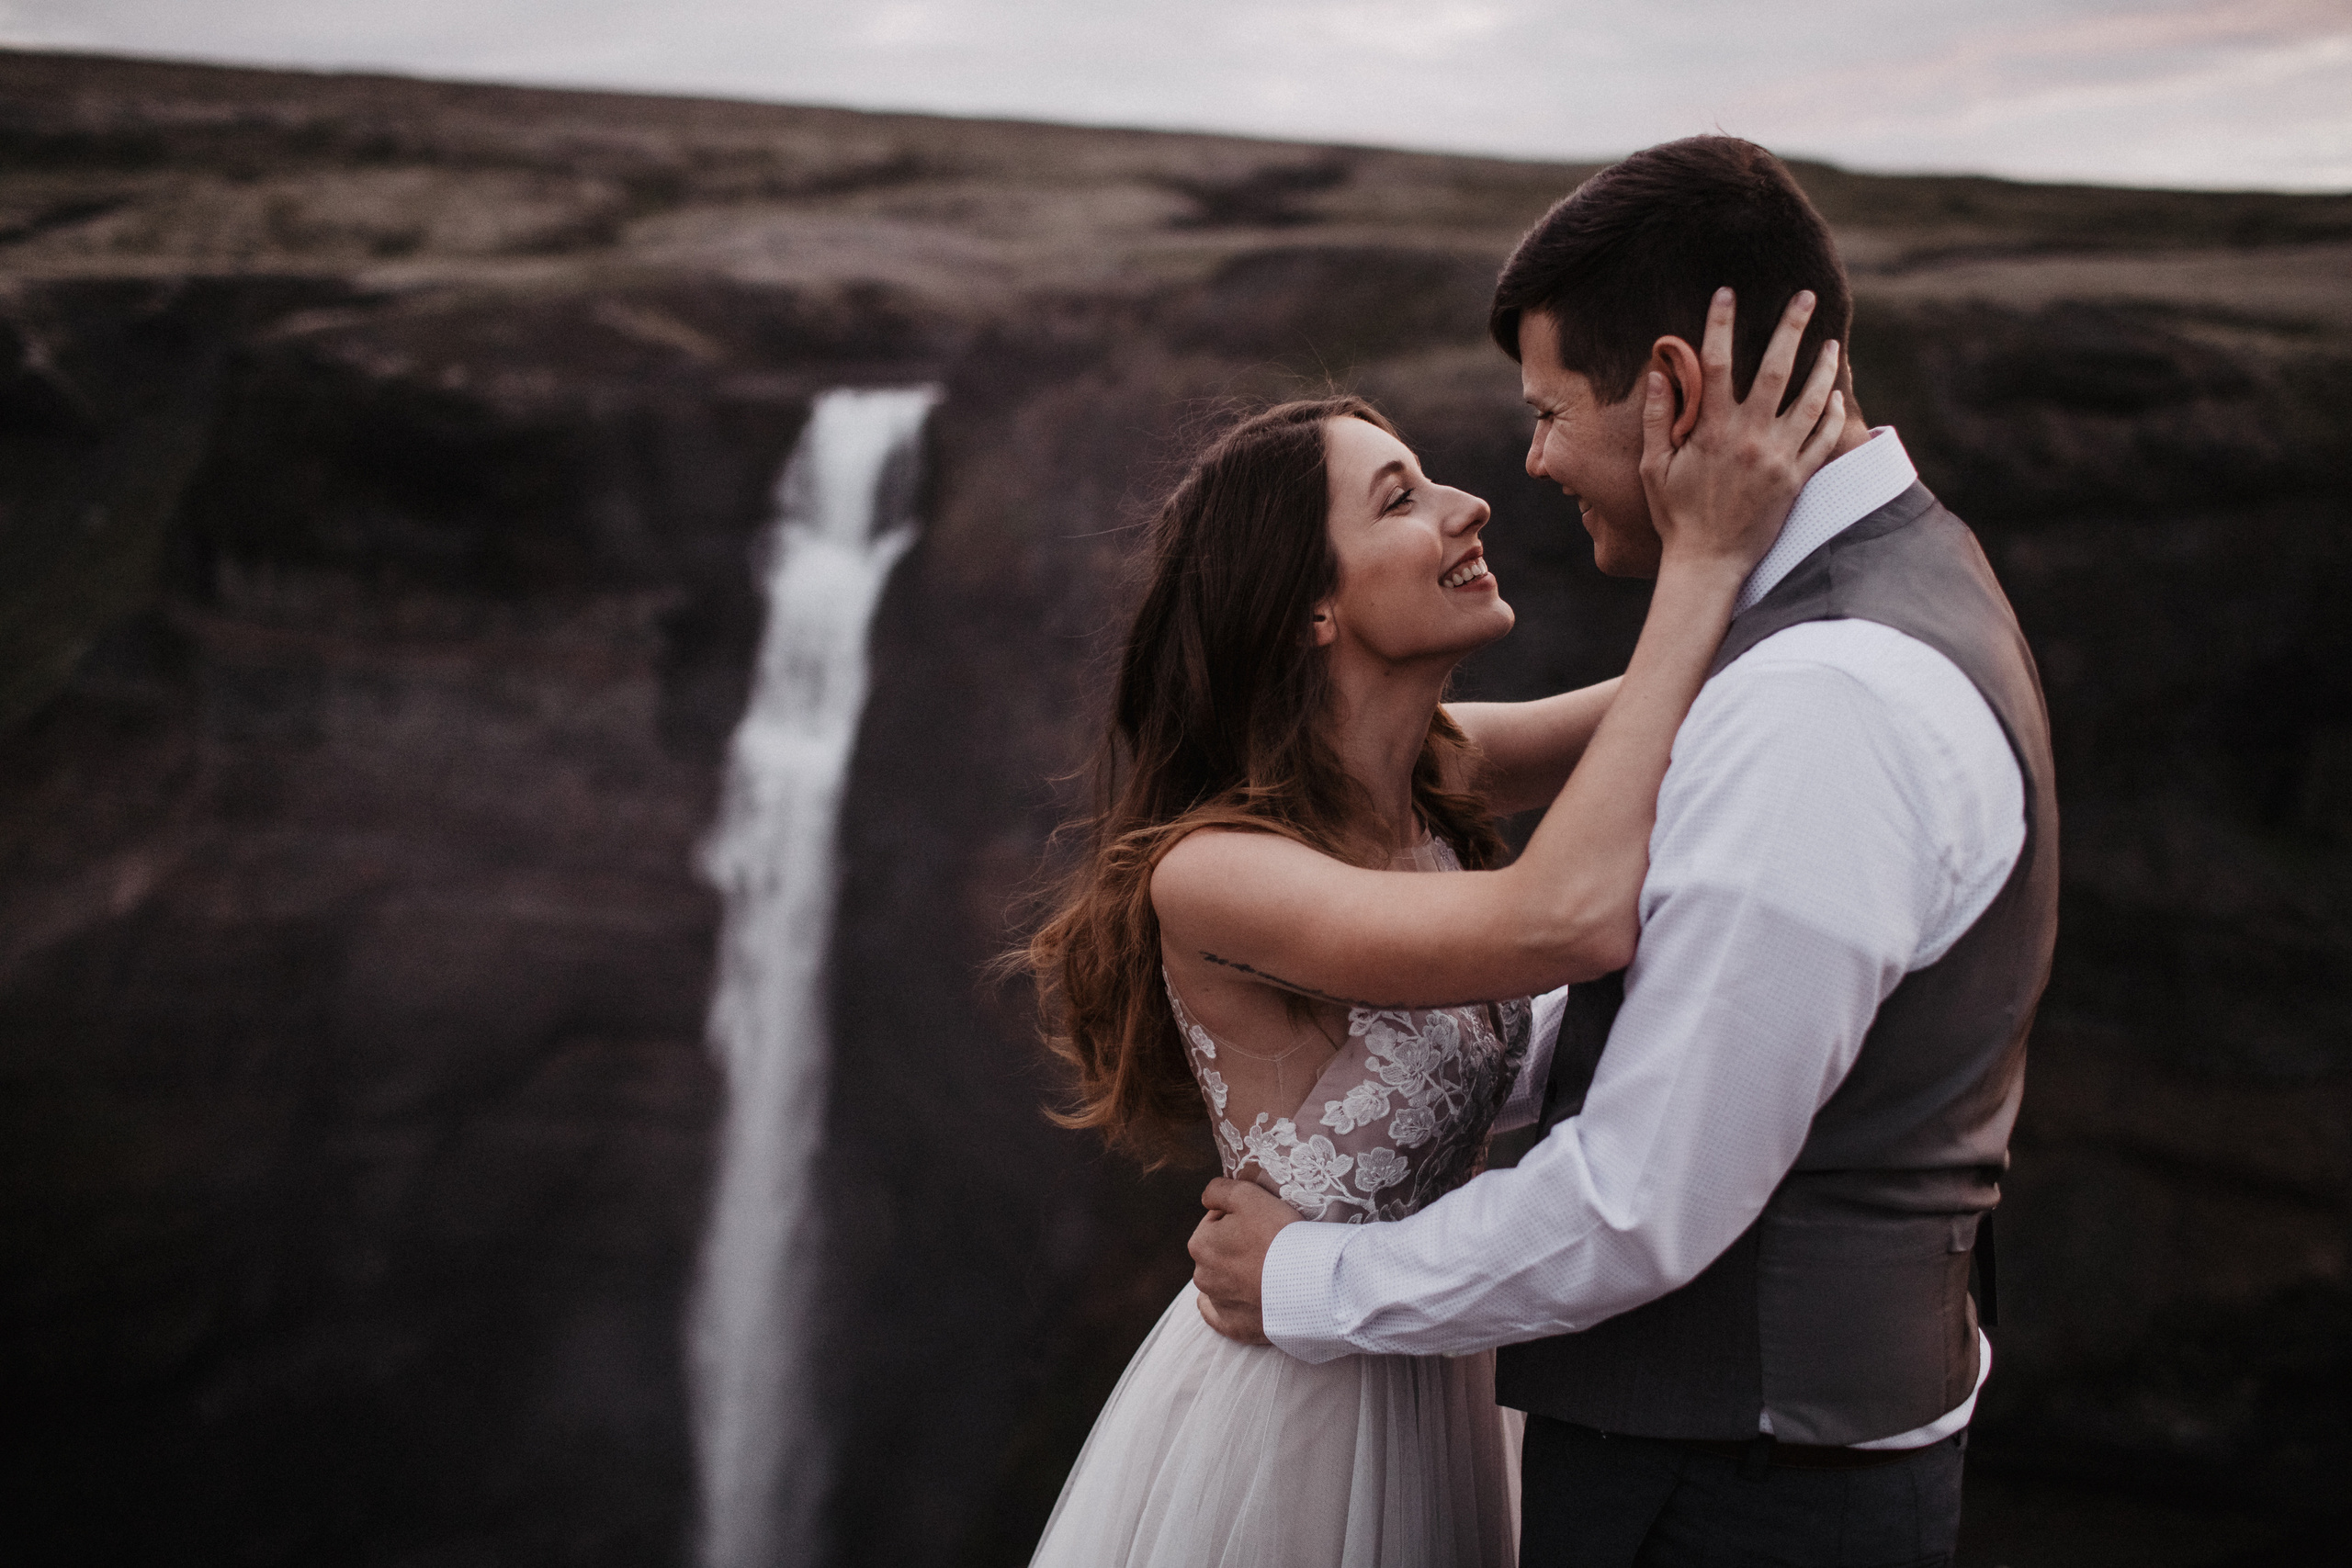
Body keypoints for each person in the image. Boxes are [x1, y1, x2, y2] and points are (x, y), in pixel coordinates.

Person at [1189, 136, 2058, 1568]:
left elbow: (1641, 1198)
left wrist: (1311, 1277)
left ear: (1670, 391)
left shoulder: (1818, 697)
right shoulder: (1880, 602)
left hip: (1735, 1499)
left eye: (1546, 412)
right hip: (1748, 1461)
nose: (1522, 468)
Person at [1019, 281, 1846, 1567]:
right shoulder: (1214, 876)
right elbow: (1561, 915)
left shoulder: (1432, 770)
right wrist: (1704, 555)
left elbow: (1678, 688)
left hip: (1421, 1361)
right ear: (1310, 606)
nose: (1471, 507)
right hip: (1295, 1411)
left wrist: (1774, 496)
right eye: (1400, 498)